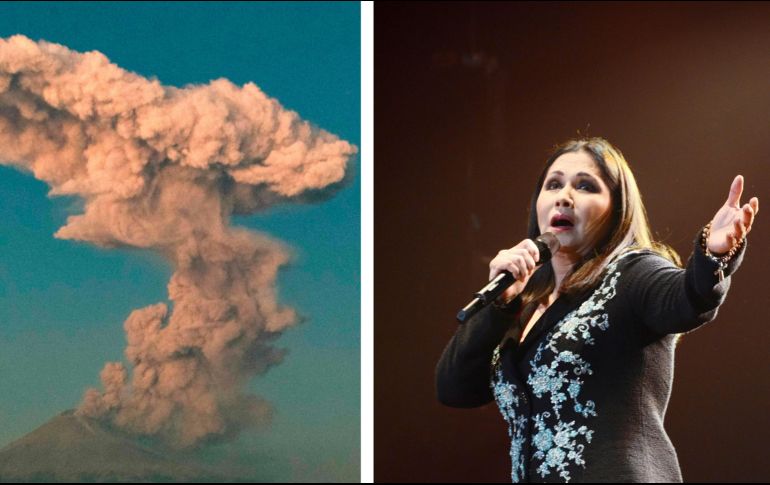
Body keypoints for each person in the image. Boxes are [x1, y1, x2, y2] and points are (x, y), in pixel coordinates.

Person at [435, 137, 759, 483]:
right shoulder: (524, 306)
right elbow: (455, 388)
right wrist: (501, 305)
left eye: (585, 186)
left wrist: (713, 255)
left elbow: (686, 299)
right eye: (553, 184)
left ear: (617, 210)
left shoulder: (632, 273)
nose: (564, 196)